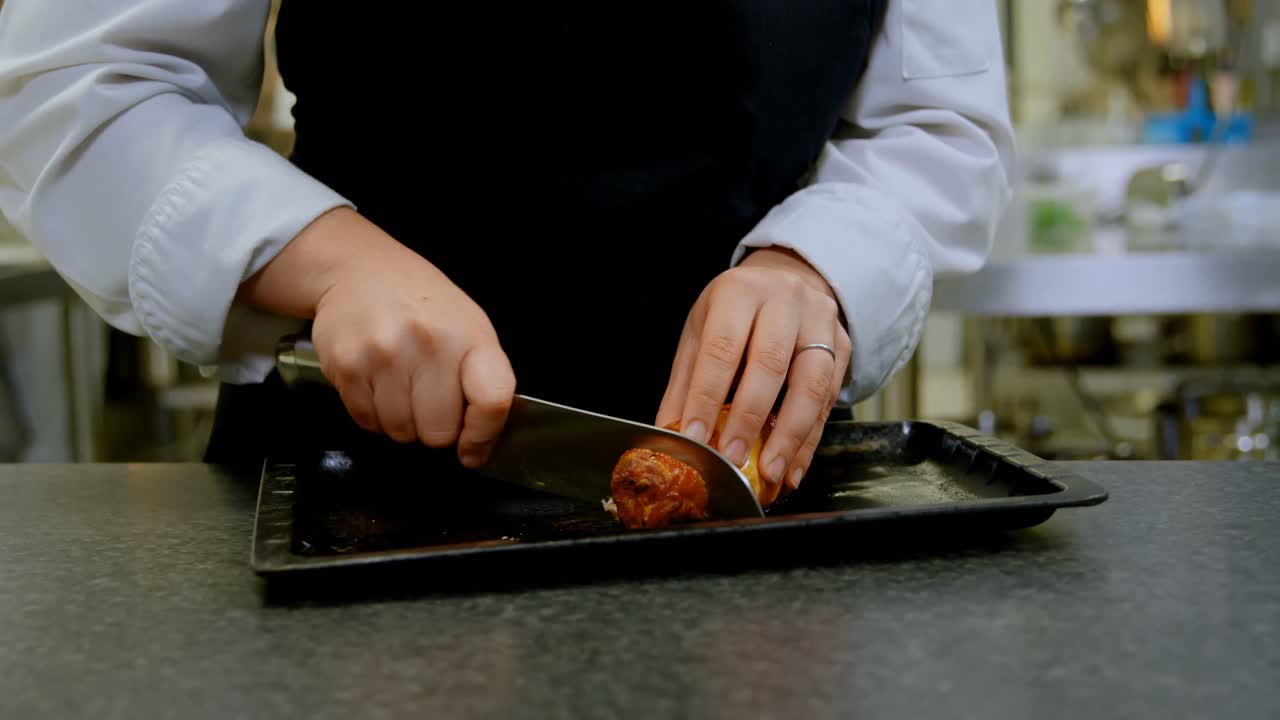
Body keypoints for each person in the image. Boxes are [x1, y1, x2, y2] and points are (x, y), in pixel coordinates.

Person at [0, 1, 1013, 489]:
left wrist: (816, 265)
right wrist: (333, 257)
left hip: (751, 496)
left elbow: (937, 122)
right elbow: (85, 78)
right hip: (355, 492)